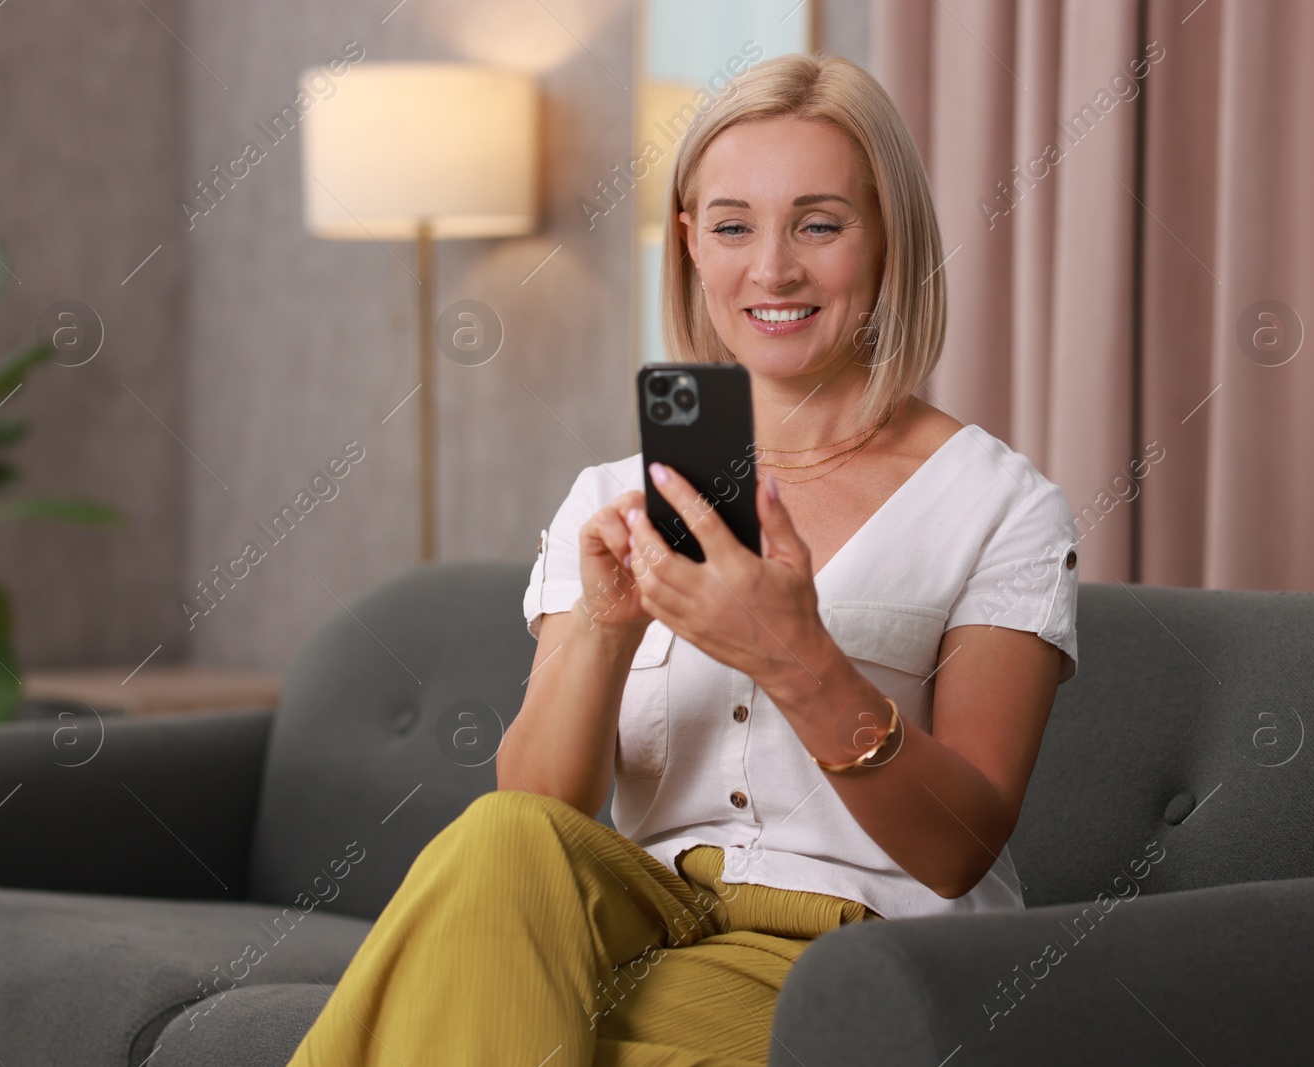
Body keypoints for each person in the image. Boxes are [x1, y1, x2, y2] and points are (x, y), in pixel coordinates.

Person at [286, 50, 1078, 1067]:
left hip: (860, 956)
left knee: (461, 1009)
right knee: (497, 837)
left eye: (820, 224)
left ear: (889, 243)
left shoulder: (999, 503)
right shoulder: (613, 494)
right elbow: (539, 810)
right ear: (691, 246)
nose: (772, 269)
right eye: (732, 224)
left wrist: (796, 655)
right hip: (639, 917)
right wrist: (607, 631)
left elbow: (956, 844)